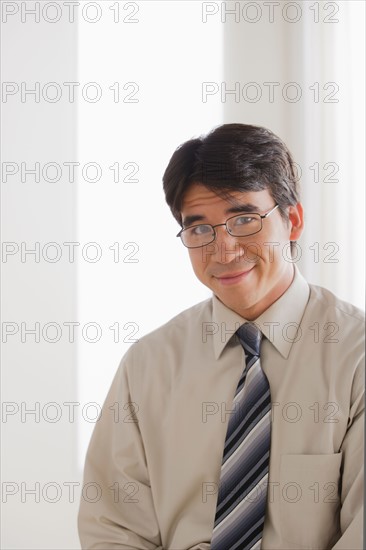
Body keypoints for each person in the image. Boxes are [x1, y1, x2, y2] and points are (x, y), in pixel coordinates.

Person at [78, 123, 364, 549]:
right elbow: (113, 527)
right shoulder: (149, 364)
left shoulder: (355, 355)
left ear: (294, 221)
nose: (224, 249)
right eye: (199, 229)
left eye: (245, 219)